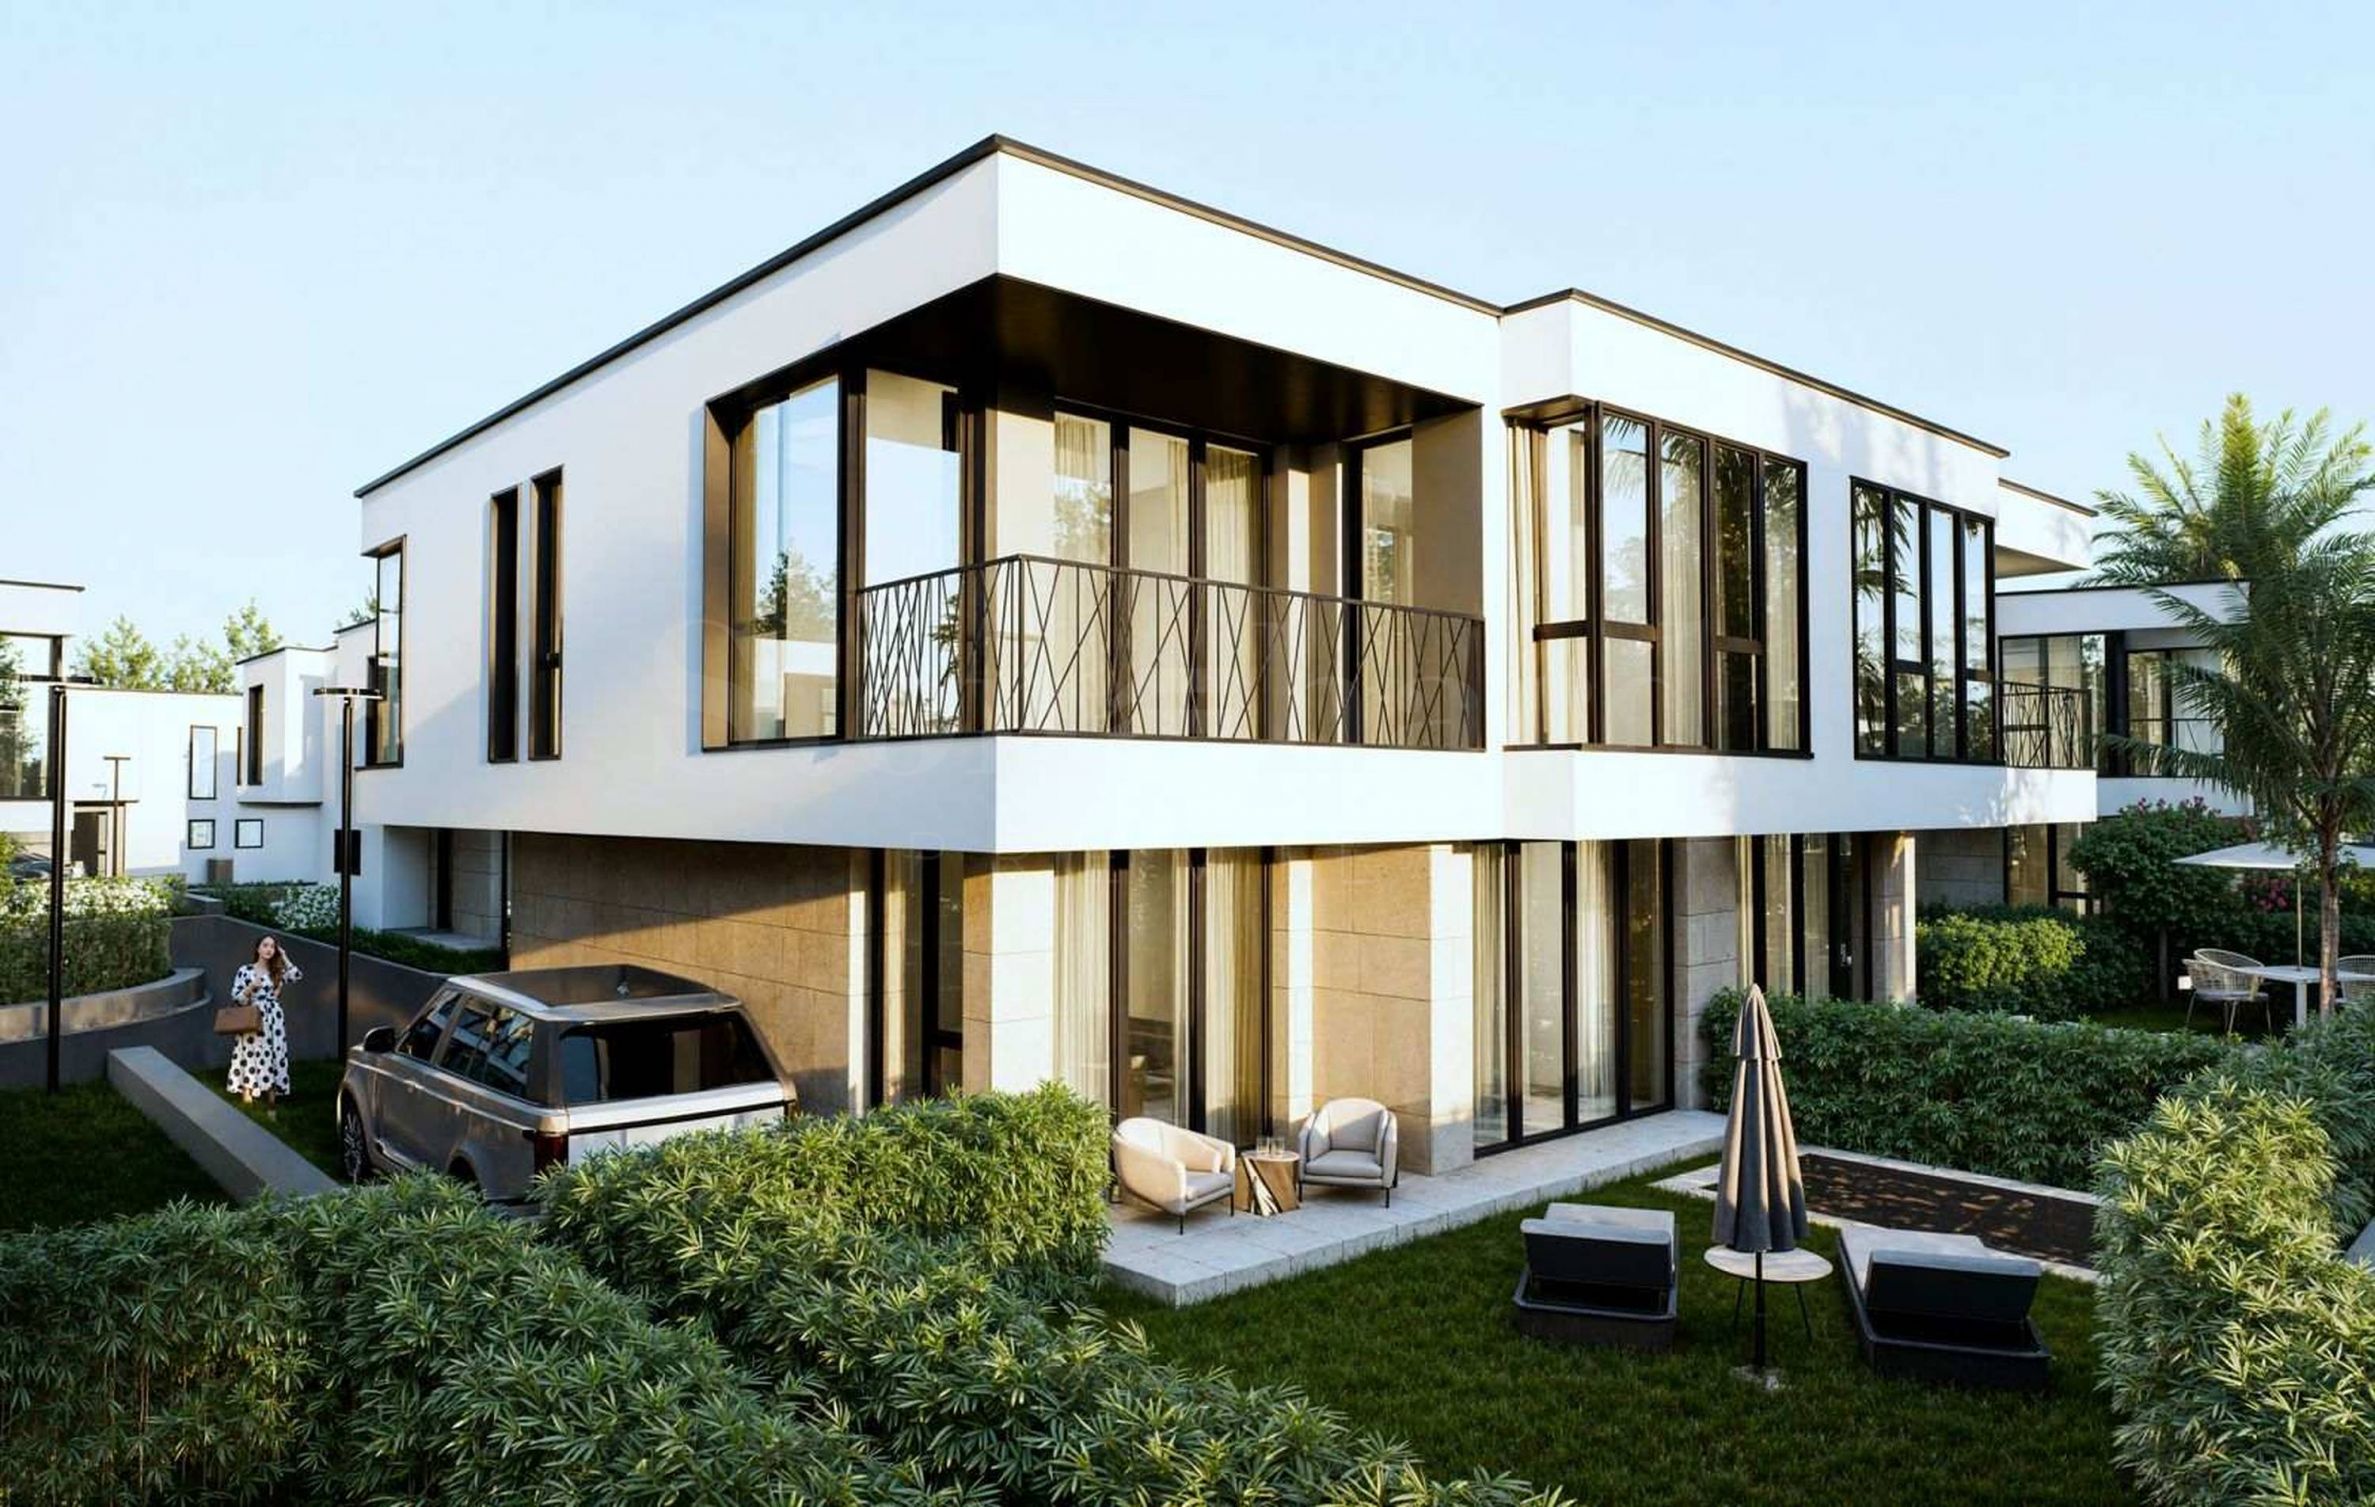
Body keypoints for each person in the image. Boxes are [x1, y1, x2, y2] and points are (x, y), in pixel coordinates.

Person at [227, 934, 301, 1109]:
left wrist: (284, 956)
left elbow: (296, 975)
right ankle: (247, 1097)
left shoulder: (277, 971)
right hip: (252, 1015)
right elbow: (237, 998)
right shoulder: (245, 970)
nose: (269, 949)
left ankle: (271, 1099)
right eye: (265, 945)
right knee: (249, 1052)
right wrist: (251, 987)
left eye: (272, 946)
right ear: (257, 948)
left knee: (274, 1052)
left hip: (273, 1018)